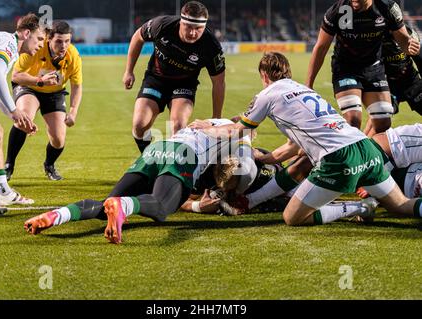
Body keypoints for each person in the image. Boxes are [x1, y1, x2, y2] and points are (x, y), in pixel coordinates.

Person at [190, 52, 422, 226]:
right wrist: (269, 157)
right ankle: (252, 201)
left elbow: (237, 131)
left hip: (340, 159)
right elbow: (294, 146)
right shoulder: (305, 90)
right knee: (401, 205)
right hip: (366, 147)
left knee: (292, 217)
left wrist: (206, 127)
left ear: (263, 75)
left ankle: (359, 207)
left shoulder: (267, 94)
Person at [24, 119, 257, 244]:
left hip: (156, 150)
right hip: (183, 154)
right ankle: (124, 206)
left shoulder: (207, 121)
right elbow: (242, 164)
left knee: (105, 205)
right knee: (162, 207)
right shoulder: (237, 131)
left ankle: (56, 216)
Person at [123, 1, 226, 153]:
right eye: (188, 27)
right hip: (155, 80)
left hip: (184, 85)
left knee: (178, 127)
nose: (192, 33)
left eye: (198, 29)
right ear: (181, 22)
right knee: (139, 125)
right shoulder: (162, 25)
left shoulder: (211, 46)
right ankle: (148, 157)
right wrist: (128, 71)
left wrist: (216, 119)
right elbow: (138, 37)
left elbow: (219, 83)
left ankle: (171, 167)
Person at [306, 0, 420, 136]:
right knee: (353, 119)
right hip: (346, 68)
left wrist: (409, 46)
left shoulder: (387, 8)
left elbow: (403, 40)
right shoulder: (338, 10)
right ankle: (341, 153)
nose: (354, 2)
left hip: (374, 68)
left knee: (383, 124)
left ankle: (368, 155)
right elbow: (321, 47)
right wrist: (309, 83)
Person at [0, 13, 44, 214]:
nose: (40, 45)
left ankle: (2, 190)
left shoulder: (7, 43)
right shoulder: (9, 43)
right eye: (39, 39)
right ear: (26, 33)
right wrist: (14, 110)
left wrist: (16, 115)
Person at [5, 21, 83, 181]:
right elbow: (16, 76)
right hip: (30, 87)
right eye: (59, 41)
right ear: (49, 39)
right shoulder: (35, 48)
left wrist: (73, 111)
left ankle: (49, 165)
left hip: (54, 93)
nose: (64, 46)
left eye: (67, 41)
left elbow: (76, 85)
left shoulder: (73, 55)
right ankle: (8, 166)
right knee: (24, 119)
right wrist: (39, 80)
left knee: (58, 139)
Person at [382, 23, 422, 115]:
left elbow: (419, 59)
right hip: (387, 85)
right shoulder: (375, 35)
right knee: (381, 119)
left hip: (411, 81)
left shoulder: (408, 33)